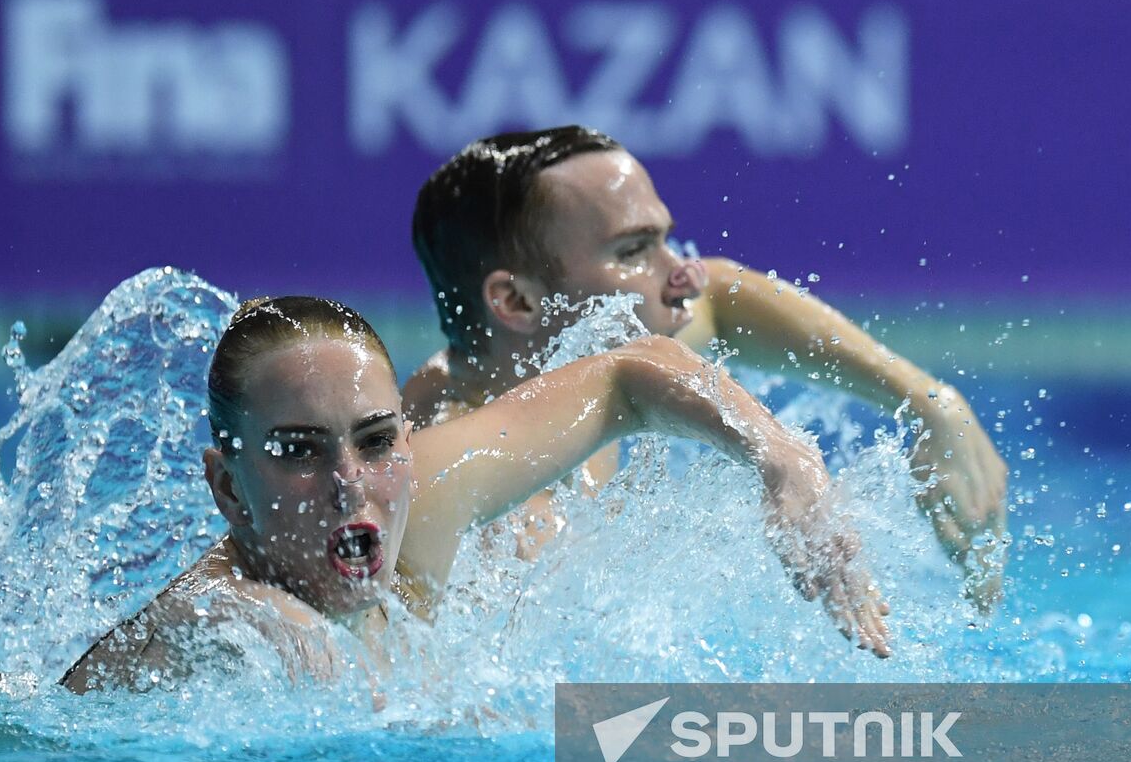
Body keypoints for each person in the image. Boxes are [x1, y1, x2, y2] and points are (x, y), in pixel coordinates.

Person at [62, 295, 889, 696]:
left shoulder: (424, 498)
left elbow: (632, 373)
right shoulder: (206, 627)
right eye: (297, 453)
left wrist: (784, 459)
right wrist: (196, 623)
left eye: (378, 439)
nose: (351, 480)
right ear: (226, 489)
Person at [404, 126, 1009, 606]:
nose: (682, 273)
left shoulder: (576, 343)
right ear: (517, 302)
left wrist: (932, 403)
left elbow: (719, 292)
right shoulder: (474, 491)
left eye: (667, 239)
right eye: (634, 250)